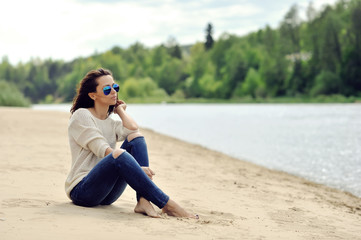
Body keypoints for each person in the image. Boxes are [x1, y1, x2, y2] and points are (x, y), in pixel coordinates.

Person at [65, 68, 198, 218]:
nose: (114, 92)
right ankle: (168, 204)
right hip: (83, 191)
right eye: (107, 89)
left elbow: (133, 129)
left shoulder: (110, 123)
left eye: (115, 87)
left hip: (107, 195)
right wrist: (137, 168)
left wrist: (120, 111)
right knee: (119, 154)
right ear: (92, 95)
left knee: (136, 138)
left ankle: (143, 200)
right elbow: (101, 148)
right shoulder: (81, 115)